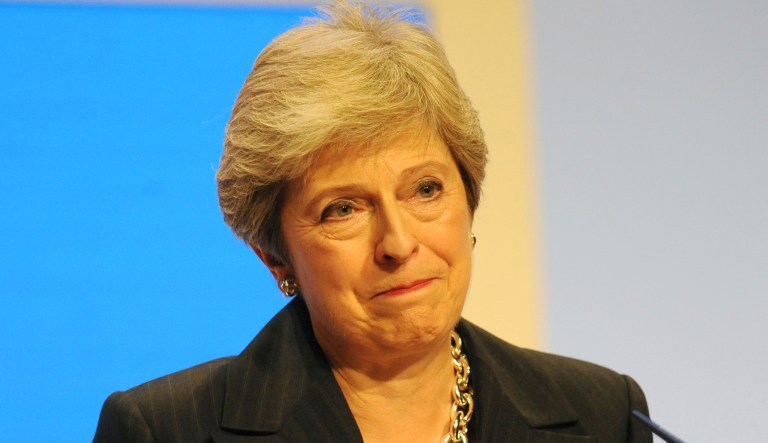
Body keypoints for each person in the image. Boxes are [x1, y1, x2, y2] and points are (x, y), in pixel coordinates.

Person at [94, 1, 651, 442]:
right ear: (275, 257)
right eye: (342, 209)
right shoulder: (166, 429)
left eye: (425, 190)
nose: (399, 243)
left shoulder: (601, 414)